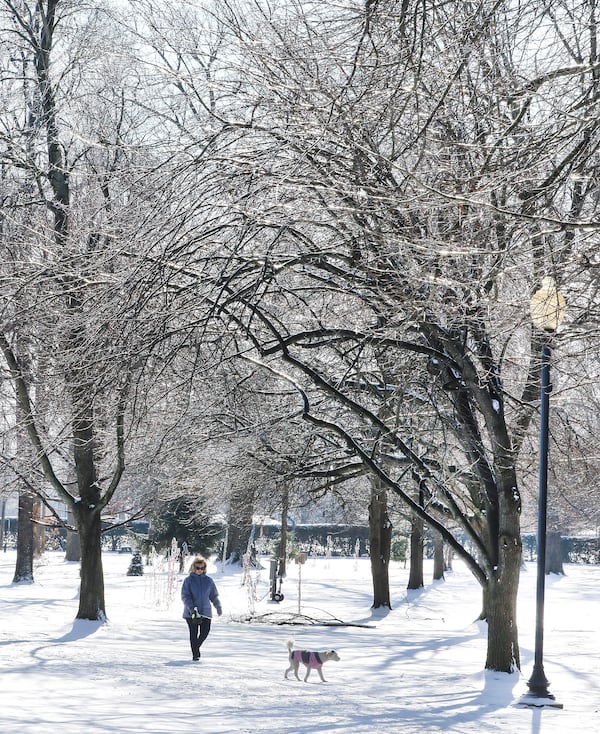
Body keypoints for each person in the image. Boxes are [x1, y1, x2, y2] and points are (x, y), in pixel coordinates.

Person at [181, 556, 222, 661]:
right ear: (193, 567)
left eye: (202, 568)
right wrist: (192, 609)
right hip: (192, 612)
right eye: (198, 568)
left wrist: (218, 606)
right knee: (193, 633)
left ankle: (196, 647)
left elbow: (213, 596)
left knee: (205, 632)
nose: (200, 570)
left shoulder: (209, 581)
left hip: (206, 611)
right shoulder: (188, 581)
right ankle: (195, 655)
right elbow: (185, 596)